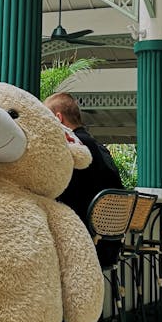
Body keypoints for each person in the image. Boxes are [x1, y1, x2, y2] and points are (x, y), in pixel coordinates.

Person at [45, 91, 124, 226]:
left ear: (58, 118)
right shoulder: (97, 146)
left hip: (81, 229)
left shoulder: (73, 146)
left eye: (46, 119)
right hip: (111, 228)